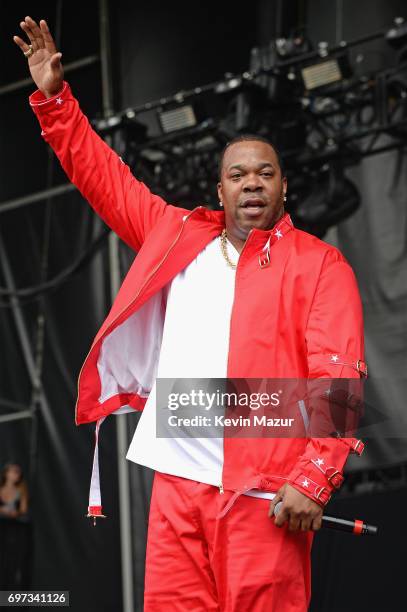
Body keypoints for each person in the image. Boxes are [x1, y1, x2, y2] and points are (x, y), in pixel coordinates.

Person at [14, 16, 367, 612]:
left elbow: (339, 377)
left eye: (265, 173)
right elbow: (106, 179)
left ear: (284, 188)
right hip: (177, 488)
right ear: (220, 188)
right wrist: (56, 102)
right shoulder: (177, 235)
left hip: (260, 492)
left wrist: (313, 476)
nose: (251, 182)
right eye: (237, 174)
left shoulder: (320, 263)